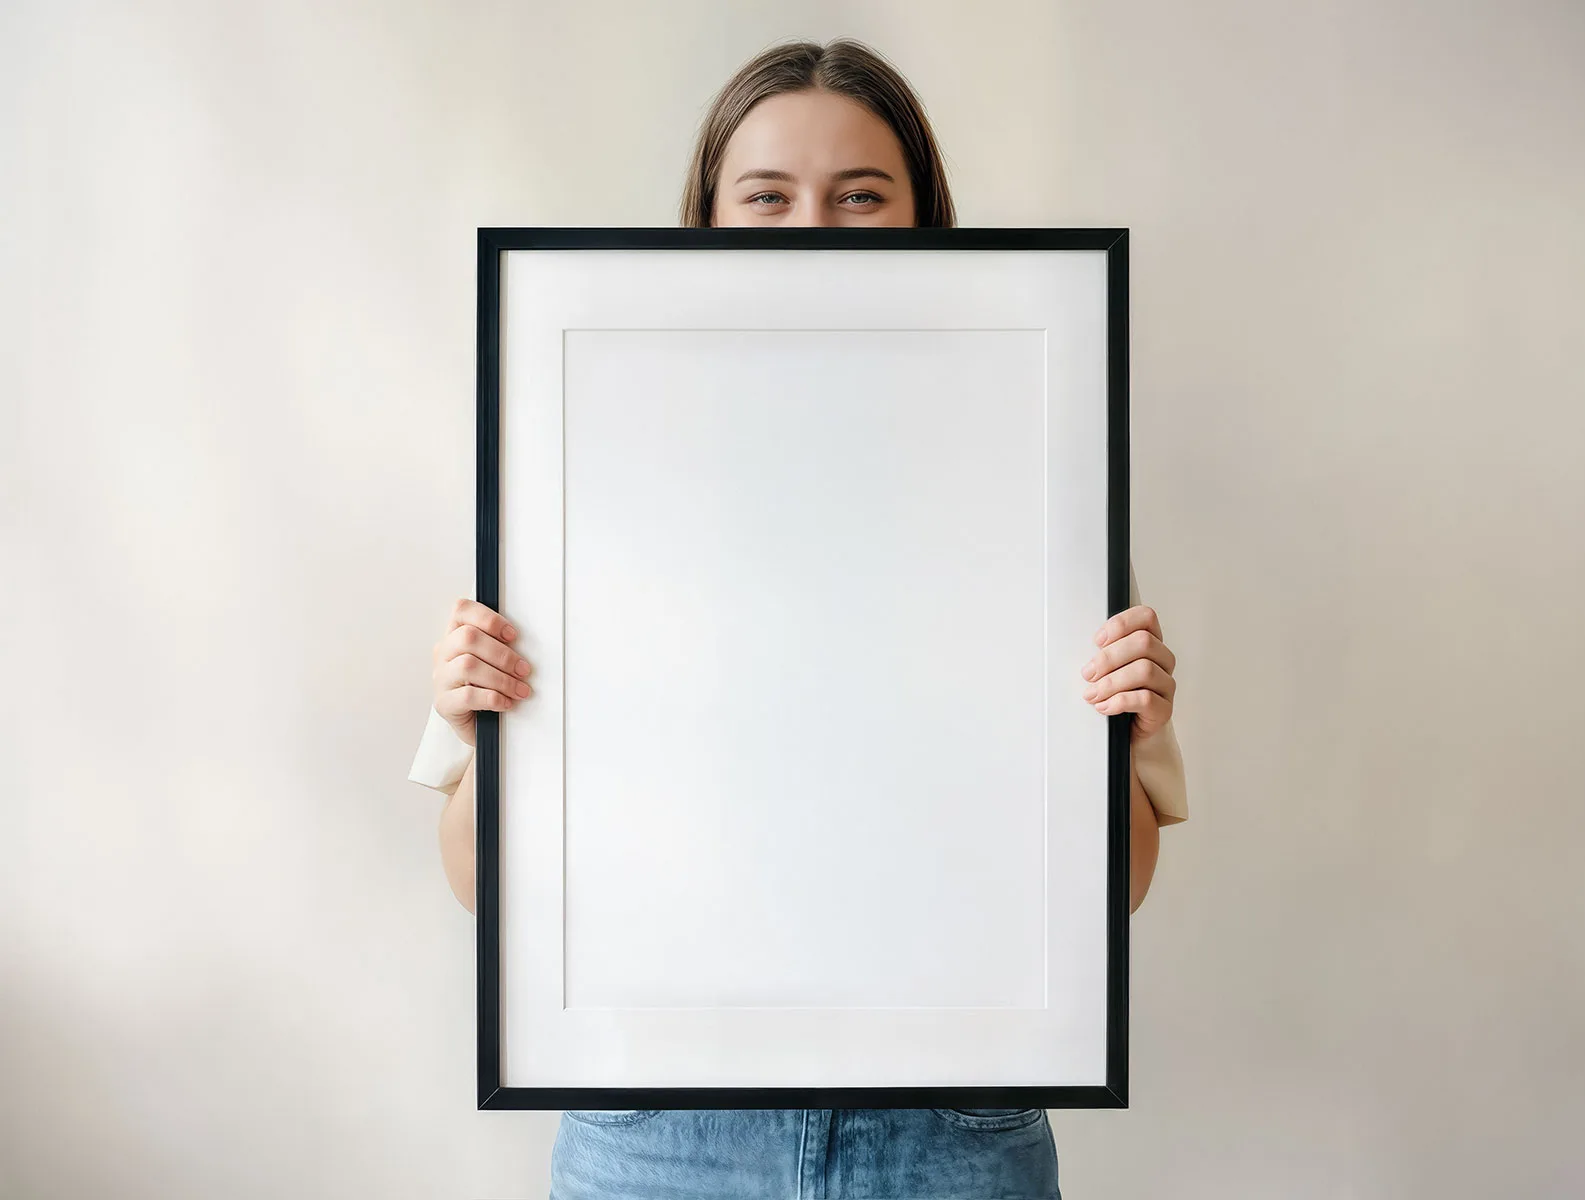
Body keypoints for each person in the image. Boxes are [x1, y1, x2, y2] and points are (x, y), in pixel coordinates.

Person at [408, 37, 1188, 1200]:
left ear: (926, 221)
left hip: (950, 1133)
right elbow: (483, 885)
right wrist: (480, 728)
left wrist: (1119, 730)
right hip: (654, 1134)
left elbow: (1117, 881)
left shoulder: (1034, 484)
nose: (812, 226)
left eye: (859, 197)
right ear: (706, 221)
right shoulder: (578, 474)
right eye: (766, 197)